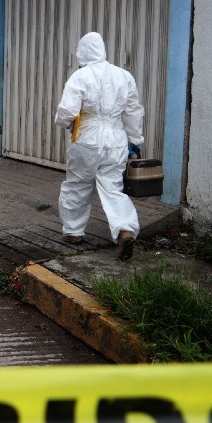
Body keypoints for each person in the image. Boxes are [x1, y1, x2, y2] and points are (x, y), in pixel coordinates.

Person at [54, 32, 145, 261]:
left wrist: (65, 124)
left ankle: (73, 232)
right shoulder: (124, 76)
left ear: (82, 52)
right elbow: (133, 111)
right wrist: (135, 140)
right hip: (116, 139)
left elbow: (66, 112)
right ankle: (125, 230)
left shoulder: (80, 76)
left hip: (87, 137)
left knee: (78, 183)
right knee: (113, 187)